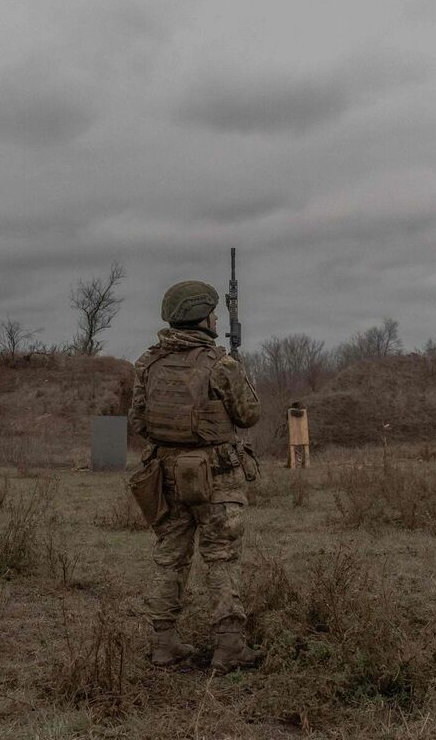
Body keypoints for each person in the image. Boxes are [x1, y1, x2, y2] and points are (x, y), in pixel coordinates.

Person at [129, 280, 262, 672]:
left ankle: (163, 643)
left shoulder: (147, 363)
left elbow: (139, 421)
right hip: (216, 475)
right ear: (201, 318)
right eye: (213, 313)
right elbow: (249, 415)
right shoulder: (220, 365)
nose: (217, 318)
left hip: (166, 476)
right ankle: (230, 646)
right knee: (221, 557)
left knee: (170, 559)